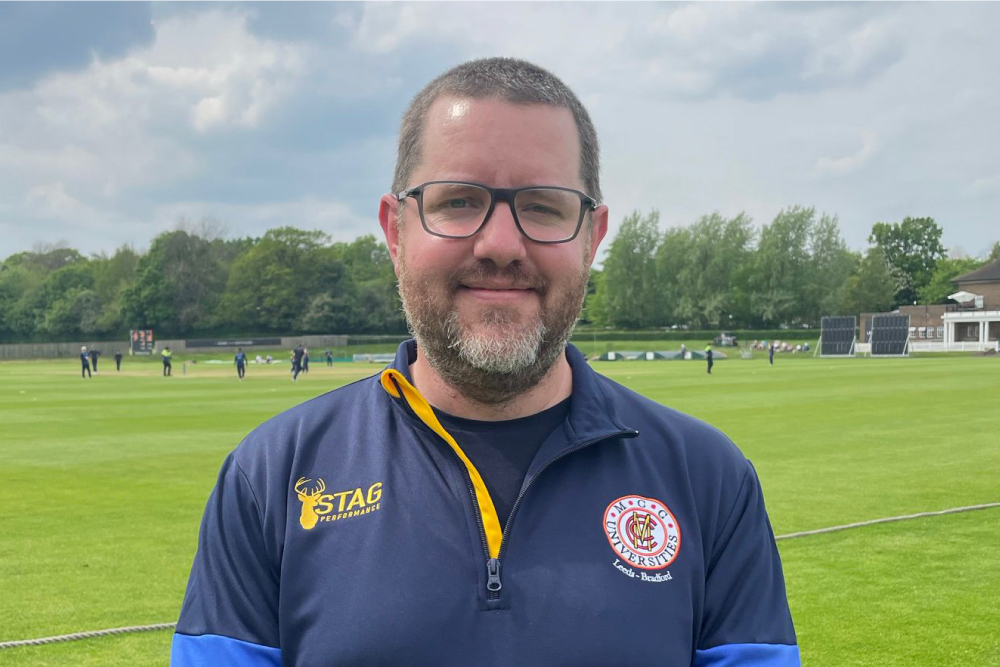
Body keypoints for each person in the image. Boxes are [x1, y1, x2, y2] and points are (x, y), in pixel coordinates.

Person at [172, 58, 798, 667]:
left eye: (544, 206)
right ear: (395, 231)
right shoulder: (271, 477)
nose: (500, 245)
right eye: (458, 201)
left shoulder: (708, 478)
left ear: (592, 237)